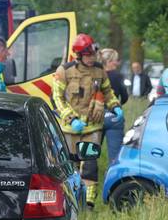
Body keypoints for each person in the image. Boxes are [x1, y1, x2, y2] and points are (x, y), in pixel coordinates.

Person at [52, 34, 121, 207]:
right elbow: (57, 98)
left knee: (90, 165)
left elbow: (108, 92)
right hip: (70, 128)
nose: (92, 58)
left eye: (93, 55)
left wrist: (115, 106)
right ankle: (70, 200)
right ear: (79, 55)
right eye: (88, 55)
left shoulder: (99, 70)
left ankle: (88, 204)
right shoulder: (64, 71)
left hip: (92, 127)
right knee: (70, 165)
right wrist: (71, 118)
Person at [97, 46, 129, 167]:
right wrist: (119, 105)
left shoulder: (96, 74)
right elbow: (125, 96)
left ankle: (90, 182)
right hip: (114, 117)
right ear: (110, 61)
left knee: (90, 154)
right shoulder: (118, 76)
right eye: (115, 60)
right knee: (115, 157)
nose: (117, 63)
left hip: (97, 115)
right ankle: (113, 182)